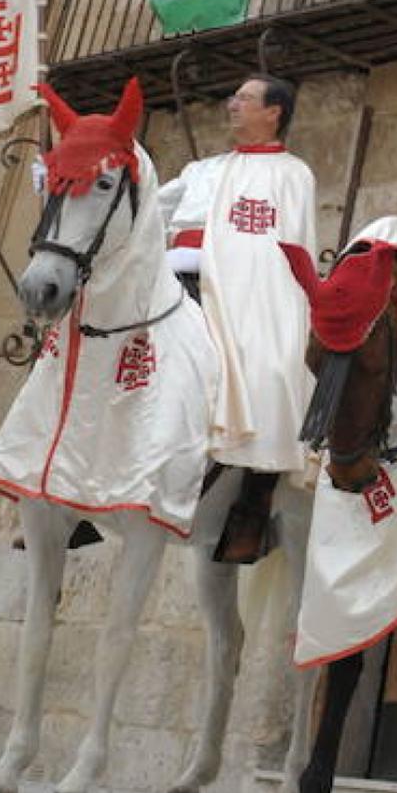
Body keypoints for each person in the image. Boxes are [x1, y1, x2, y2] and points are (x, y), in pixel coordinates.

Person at [158, 75, 318, 564]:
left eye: (244, 99)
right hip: (175, 286)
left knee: (273, 369)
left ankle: (253, 500)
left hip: (251, 294)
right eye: (233, 97)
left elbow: (287, 249)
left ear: (274, 113)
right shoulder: (201, 170)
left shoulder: (294, 175)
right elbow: (153, 212)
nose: (232, 104)